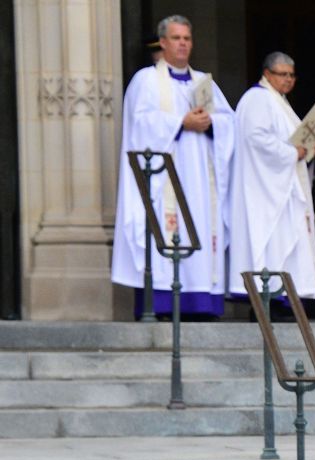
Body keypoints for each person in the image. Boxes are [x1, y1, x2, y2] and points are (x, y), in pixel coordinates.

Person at [110, 14, 235, 321]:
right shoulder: (147, 80)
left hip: (200, 182)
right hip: (165, 179)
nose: (183, 44)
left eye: (187, 39)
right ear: (163, 42)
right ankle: (163, 305)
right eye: (176, 38)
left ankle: (202, 306)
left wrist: (210, 124)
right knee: (165, 233)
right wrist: (181, 122)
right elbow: (139, 124)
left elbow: (230, 122)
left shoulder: (204, 83)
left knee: (202, 231)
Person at [229, 52, 315, 304]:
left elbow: (292, 140)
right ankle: (271, 297)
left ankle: (286, 296)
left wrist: (309, 149)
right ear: (267, 74)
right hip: (265, 190)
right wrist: (293, 152)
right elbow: (256, 139)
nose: (288, 80)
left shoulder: (279, 101)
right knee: (272, 242)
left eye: (292, 75)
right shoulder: (257, 99)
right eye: (283, 74)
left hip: (283, 185)